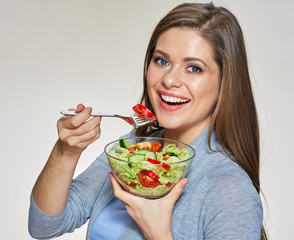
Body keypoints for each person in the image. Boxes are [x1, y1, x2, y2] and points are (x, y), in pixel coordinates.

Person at [28, 2, 267, 240]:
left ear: (225, 83)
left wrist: (158, 233)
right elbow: (44, 225)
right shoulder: (131, 148)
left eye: (193, 68)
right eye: (162, 61)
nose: (170, 80)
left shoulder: (229, 187)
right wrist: (66, 151)